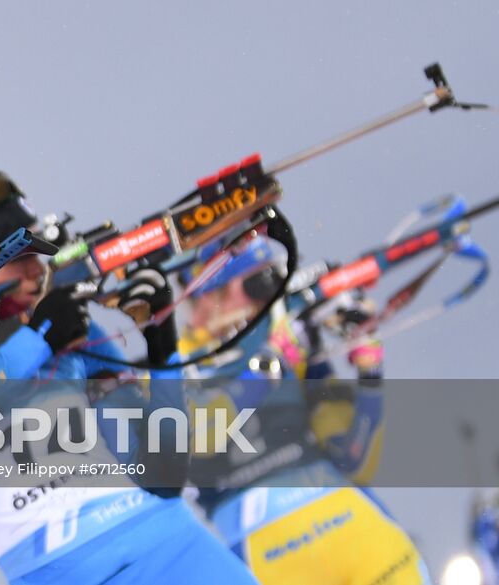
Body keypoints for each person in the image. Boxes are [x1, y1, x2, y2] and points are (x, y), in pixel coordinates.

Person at [0, 171, 260, 584]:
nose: (36, 270)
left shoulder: (68, 332)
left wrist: (162, 346)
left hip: (172, 544)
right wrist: (35, 341)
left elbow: (164, 476)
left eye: (37, 253)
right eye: (16, 257)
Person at [179, 235, 431, 584]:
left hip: (349, 521)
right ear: (208, 294)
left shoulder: (289, 345)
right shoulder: (171, 366)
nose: (270, 297)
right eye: (258, 284)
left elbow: (355, 460)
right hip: (265, 552)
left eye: (275, 280)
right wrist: (272, 364)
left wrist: (369, 373)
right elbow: (197, 438)